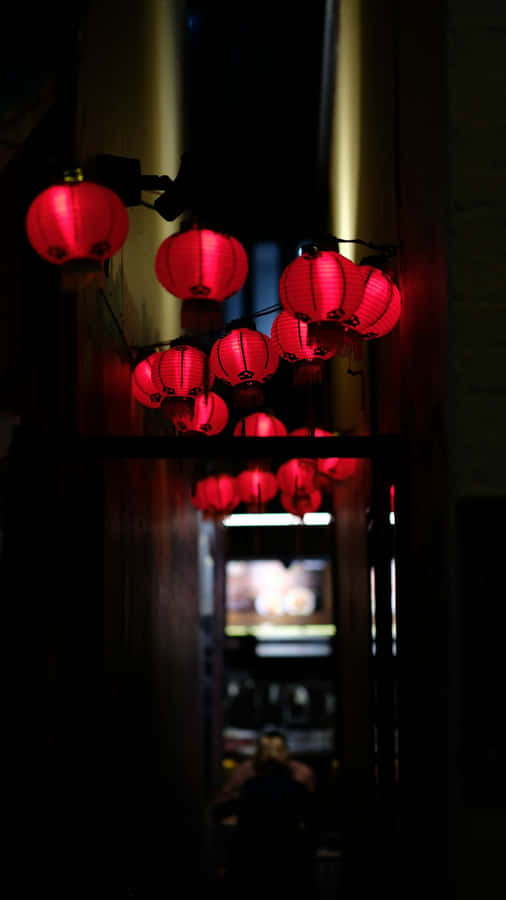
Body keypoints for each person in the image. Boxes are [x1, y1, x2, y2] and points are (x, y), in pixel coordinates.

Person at [214, 731, 317, 900]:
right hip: (287, 857)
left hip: (253, 857)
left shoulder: (248, 780)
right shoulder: (299, 778)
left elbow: (221, 808)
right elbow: (312, 821)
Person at [213, 729, 315, 822]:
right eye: (266, 749)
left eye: (278, 750)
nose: (272, 755)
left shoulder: (301, 773)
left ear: (286, 751)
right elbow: (223, 806)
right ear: (258, 752)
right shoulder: (244, 771)